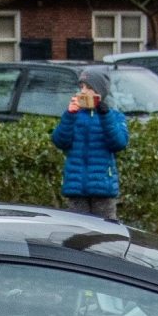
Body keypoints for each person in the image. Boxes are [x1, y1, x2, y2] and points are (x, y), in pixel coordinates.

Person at [50, 67, 130, 221]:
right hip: (76, 188)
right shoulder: (75, 115)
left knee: (106, 234)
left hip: (103, 188)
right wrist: (69, 115)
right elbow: (60, 141)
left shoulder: (114, 116)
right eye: (81, 87)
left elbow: (119, 143)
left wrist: (105, 116)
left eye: (89, 87)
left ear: (100, 91)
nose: (84, 91)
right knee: (78, 232)